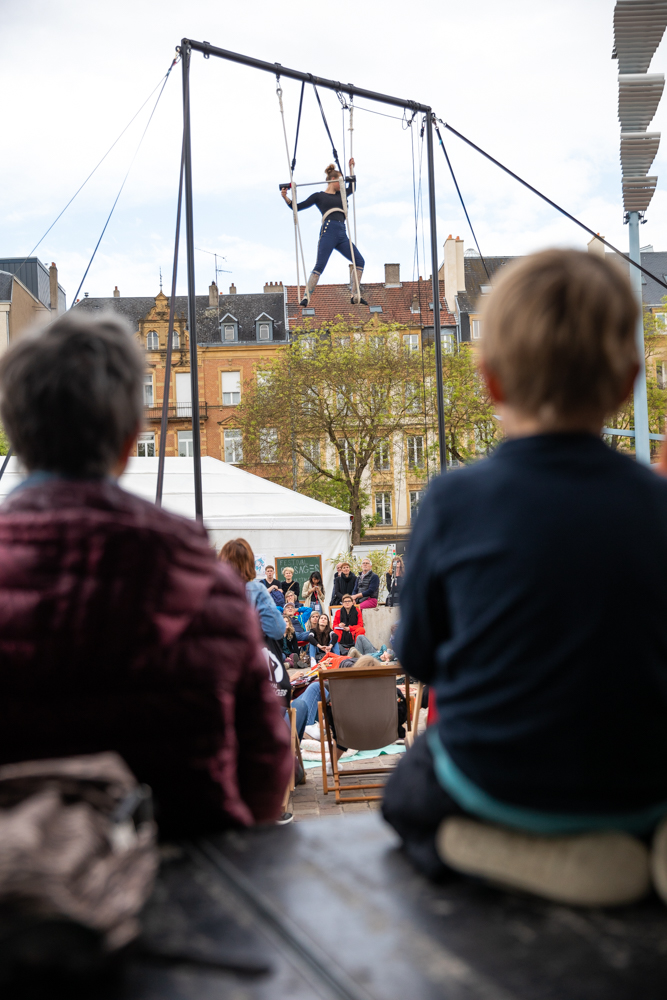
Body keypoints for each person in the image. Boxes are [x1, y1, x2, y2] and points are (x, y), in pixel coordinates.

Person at [382, 248, 667, 908]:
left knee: (407, 791)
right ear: (627, 382)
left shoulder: (452, 500)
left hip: (500, 781)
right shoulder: (658, 503)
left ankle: (499, 848)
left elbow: (417, 654)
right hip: (644, 780)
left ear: (490, 383)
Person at [0, 312, 291, 838]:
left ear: (16, 430)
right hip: (188, 871)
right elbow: (266, 772)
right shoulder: (202, 578)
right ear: (132, 435)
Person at [281, 159, 366, 306]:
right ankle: (306, 296)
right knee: (320, 265)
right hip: (328, 232)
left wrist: (351, 169)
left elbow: (352, 187)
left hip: (341, 234)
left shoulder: (342, 196)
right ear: (333, 180)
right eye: (339, 181)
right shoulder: (319, 196)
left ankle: (355, 294)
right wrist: (286, 197)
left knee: (360, 261)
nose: (341, 184)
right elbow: (297, 207)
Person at [219, 540, 286, 644]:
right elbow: (278, 630)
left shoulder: (207, 588)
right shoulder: (257, 589)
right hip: (246, 650)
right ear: (250, 563)